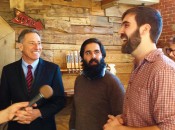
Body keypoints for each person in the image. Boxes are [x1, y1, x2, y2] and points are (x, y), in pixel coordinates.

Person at [103, 6, 175, 130]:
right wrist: (123, 118)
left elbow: (169, 126)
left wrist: (119, 129)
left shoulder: (163, 69)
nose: (120, 31)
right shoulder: (139, 65)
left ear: (145, 29)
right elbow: (143, 115)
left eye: (126, 25)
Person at [0, 29, 66, 130]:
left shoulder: (53, 69)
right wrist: (15, 115)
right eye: (32, 43)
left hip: (44, 126)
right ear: (20, 46)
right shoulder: (8, 70)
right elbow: (3, 102)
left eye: (39, 43)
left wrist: (39, 112)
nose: (37, 47)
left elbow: (60, 100)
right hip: (17, 126)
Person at [69, 38, 125, 130]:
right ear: (82, 57)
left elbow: (122, 117)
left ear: (102, 55)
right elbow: (75, 112)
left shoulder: (112, 82)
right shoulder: (79, 80)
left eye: (96, 52)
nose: (93, 56)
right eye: (88, 53)